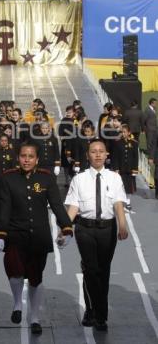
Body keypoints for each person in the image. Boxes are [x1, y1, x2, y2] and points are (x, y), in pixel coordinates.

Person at [0, 141, 73, 335]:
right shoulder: (7, 178)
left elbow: (56, 204)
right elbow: (4, 209)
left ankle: (35, 317)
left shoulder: (46, 178)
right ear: (17, 157)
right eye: (23, 156)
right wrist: (0, 233)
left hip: (39, 235)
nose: (26, 160)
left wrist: (67, 228)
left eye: (30, 156)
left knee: (36, 278)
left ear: (37, 159)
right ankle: (17, 304)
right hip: (15, 233)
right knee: (14, 270)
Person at [64, 139, 128, 331]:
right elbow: (73, 207)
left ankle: (95, 310)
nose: (98, 154)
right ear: (87, 155)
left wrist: (123, 225)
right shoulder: (79, 179)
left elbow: (118, 203)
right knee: (91, 269)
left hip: (107, 229)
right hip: (85, 229)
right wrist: (65, 229)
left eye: (101, 151)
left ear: (107, 155)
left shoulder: (114, 178)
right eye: (94, 151)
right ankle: (97, 313)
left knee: (103, 271)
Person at [111, 124, 139, 211]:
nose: (123, 134)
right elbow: (115, 157)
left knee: (129, 187)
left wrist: (135, 169)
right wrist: (116, 168)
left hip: (130, 168)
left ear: (129, 132)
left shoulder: (134, 143)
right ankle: (121, 202)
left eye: (124, 132)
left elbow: (135, 157)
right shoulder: (118, 142)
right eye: (122, 132)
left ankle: (128, 202)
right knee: (121, 186)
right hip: (121, 168)